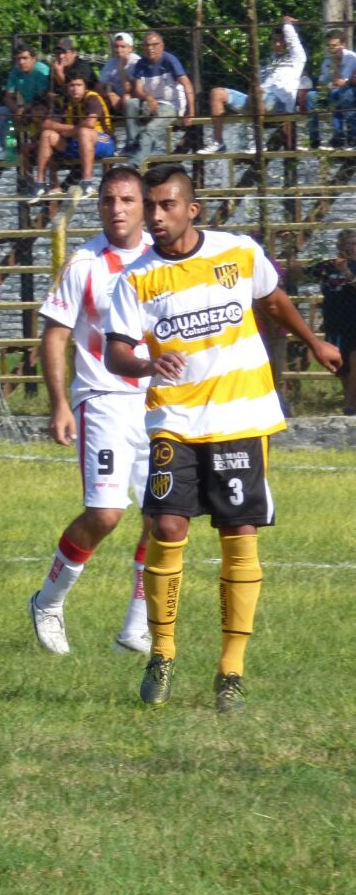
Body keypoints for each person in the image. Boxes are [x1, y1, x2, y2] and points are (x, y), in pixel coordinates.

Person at [104, 165, 341, 713]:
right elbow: (117, 351)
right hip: (174, 421)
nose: (156, 217)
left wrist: (317, 342)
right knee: (166, 524)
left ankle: (230, 669)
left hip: (239, 419)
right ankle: (161, 653)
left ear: (192, 208)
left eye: (166, 206)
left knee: (238, 533)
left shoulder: (239, 253)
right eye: (150, 206)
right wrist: (147, 361)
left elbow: (274, 300)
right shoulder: (135, 278)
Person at [28, 166, 154, 656]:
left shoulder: (162, 261)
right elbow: (55, 336)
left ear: (144, 205)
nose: (117, 209)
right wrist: (60, 403)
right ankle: (48, 600)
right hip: (102, 400)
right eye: (107, 200)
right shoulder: (84, 263)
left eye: (126, 199)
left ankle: (135, 629)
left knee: (162, 518)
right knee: (105, 514)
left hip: (158, 405)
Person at [201, 17, 305, 155]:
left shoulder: (297, 58)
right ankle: (218, 142)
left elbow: (293, 41)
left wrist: (286, 23)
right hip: (258, 101)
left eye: (281, 40)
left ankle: (256, 141)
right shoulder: (267, 62)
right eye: (275, 41)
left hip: (280, 105)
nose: (278, 44)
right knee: (217, 93)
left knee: (258, 91)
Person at [26, 75, 114, 201]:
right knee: (47, 135)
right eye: (72, 85)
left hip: (102, 141)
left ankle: (87, 183)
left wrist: (70, 130)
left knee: (84, 132)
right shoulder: (65, 102)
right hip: (76, 143)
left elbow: (90, 124)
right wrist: (70, 130)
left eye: (79, 85)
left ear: (85, 87)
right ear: (67, 88)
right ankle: (40, 184)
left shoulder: (92, 97)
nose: (75, 89)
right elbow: (47, 124)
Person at [305, 229, 356, 415]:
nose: (354, 247)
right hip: (335, 324)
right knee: (342, 368)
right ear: (340, 246)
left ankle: (350, 407)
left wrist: (346, 272)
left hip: (354, 322)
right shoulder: (327, 266)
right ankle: (350, 405)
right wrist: (291, 261)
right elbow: (303, 276)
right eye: (351, 243)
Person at [127, 32, 195, 162]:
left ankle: (135, 162)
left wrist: (190, 112)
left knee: (150, 129)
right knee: (130, 103)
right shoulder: (141, 64)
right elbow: (137, 90)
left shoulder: (170, 60)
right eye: (147, 45)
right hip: (151, 103)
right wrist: (149, 98)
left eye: (154, 45)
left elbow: (187, 84)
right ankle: (132, 144)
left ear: (162, 46)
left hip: (170, 105)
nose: (150, 48)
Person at [0, 45, 51, 153]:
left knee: (38, 112)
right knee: (0, 112)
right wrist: (16, 110)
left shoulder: (42, 71)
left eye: (24, 58)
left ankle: (37, 146)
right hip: (22, 109)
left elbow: (41, 97)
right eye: (18, 59)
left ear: (34, 59)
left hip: (40, 107)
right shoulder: (15, 71)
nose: (21, 62)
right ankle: (10, 150)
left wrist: (23, 109)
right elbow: (8, 97)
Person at [313, 30, 356, 150]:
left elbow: (342, 81)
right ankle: (314, 139)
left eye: (334, 46)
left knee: (338, 93)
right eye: (329, 46)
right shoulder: (327, 59)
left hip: (349, 91)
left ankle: (344, 135)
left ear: (343, 45)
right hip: (335, 90)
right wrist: (324, 85)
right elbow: (322, 80)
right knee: (311, 96)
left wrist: (334, 64)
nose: (331, 49)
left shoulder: (351, 58)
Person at [98, 32, 137, 131]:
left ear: (130, 48)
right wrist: (108, 94)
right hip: (119, 101)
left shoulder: (136, 63)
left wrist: (122, 68)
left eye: (123, 47)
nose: (119, 49)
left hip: (135, 98)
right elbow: (98, 87)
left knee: (126, 98)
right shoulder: (111, 64)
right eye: (116, 46)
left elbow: (129, 90)